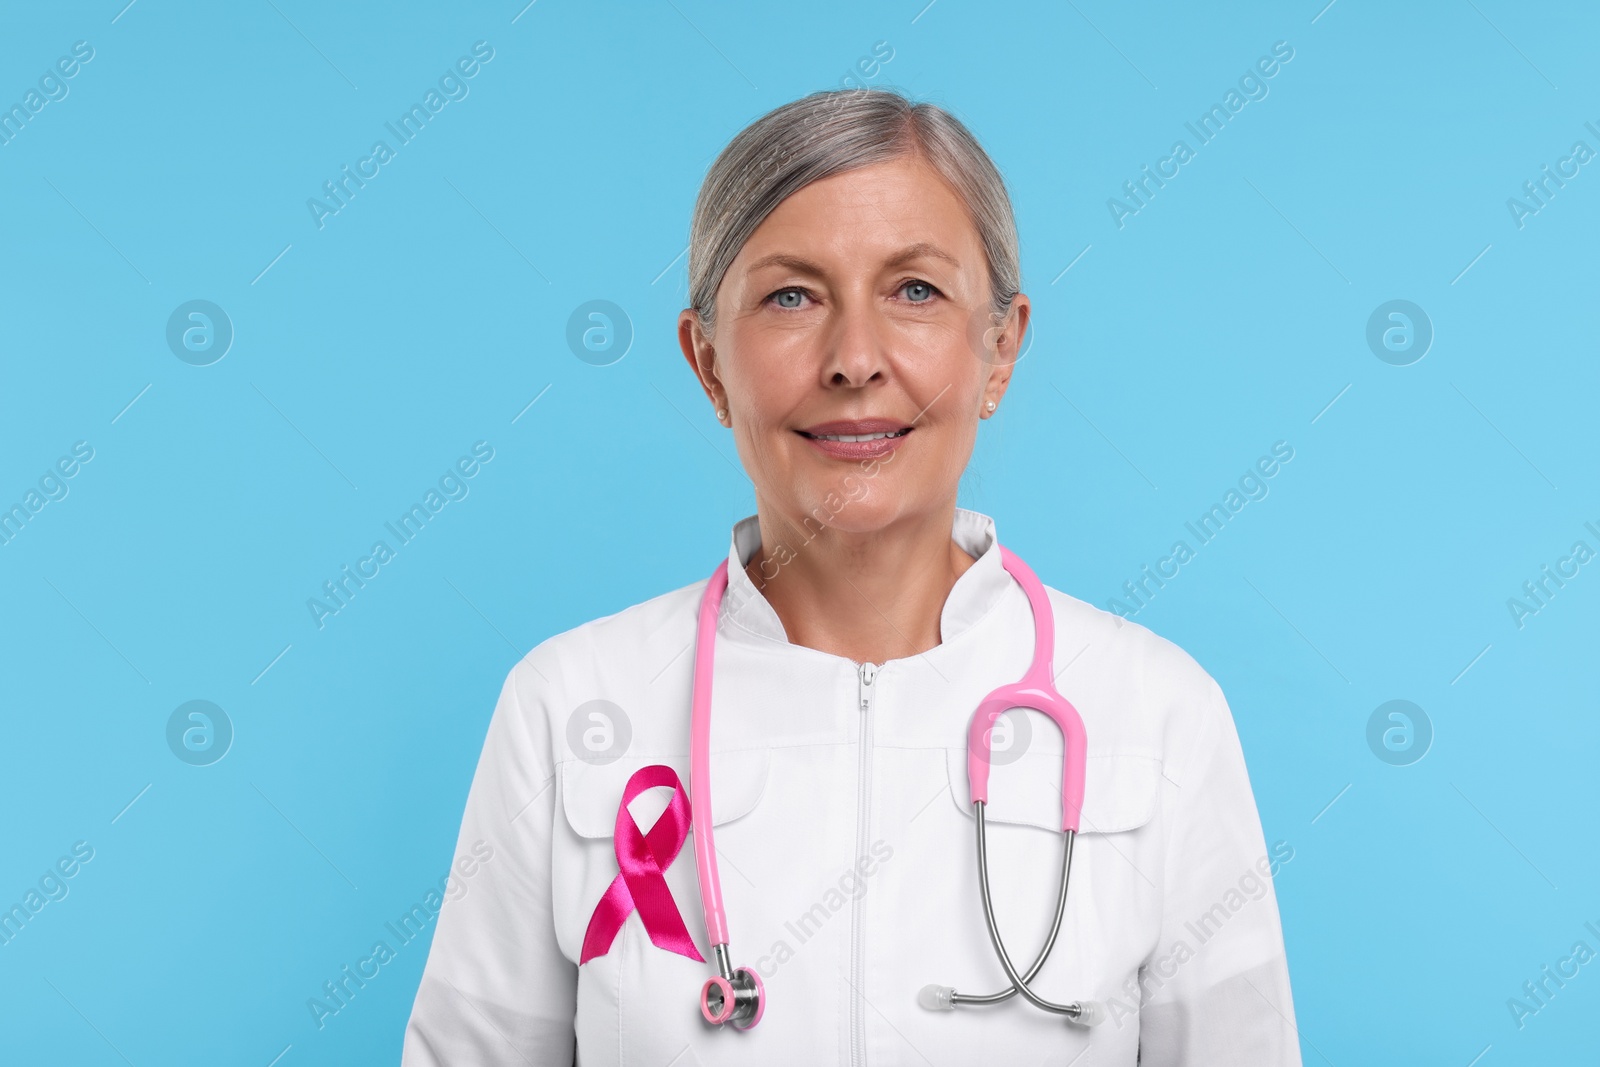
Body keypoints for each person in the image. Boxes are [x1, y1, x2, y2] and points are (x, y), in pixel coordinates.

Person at [401, 87, 1301, 1066]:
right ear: (708, 364)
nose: (854, 359)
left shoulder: (1160, 715)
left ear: (997, 349)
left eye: (915, 291)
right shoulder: (569, 706)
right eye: (791, 296)